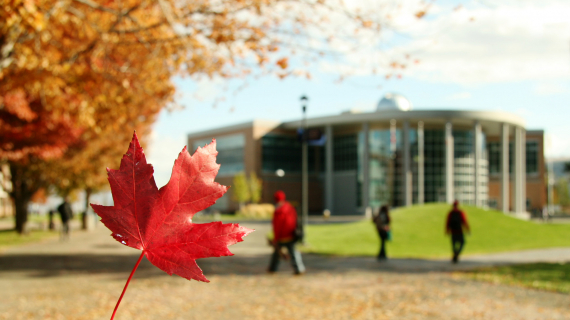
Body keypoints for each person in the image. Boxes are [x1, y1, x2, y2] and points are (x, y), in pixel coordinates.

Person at [268, 190, 305, 275]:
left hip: (282, 236)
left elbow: (277, 227)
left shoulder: (278, 211)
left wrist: (275, 239)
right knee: (293, 253)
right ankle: (299, 268)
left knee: (277, 253)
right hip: (291, 235)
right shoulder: (290, 208)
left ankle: (273, 269)